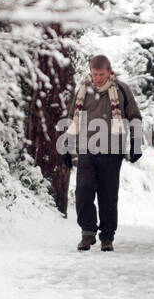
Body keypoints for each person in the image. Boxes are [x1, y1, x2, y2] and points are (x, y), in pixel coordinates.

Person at [60, 54, 143, 251]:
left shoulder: (121, 89)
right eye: (94, 74)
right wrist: (66, 146)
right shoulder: (83, 90)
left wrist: (136, 142)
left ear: (109, 71)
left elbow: (134, 116)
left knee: (108, 195)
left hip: (112, 150)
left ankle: (107, 236)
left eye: (101, 74)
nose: (97, 78)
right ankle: (87, 233)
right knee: (83, 192)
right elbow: (72, 118)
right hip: (86, 148)